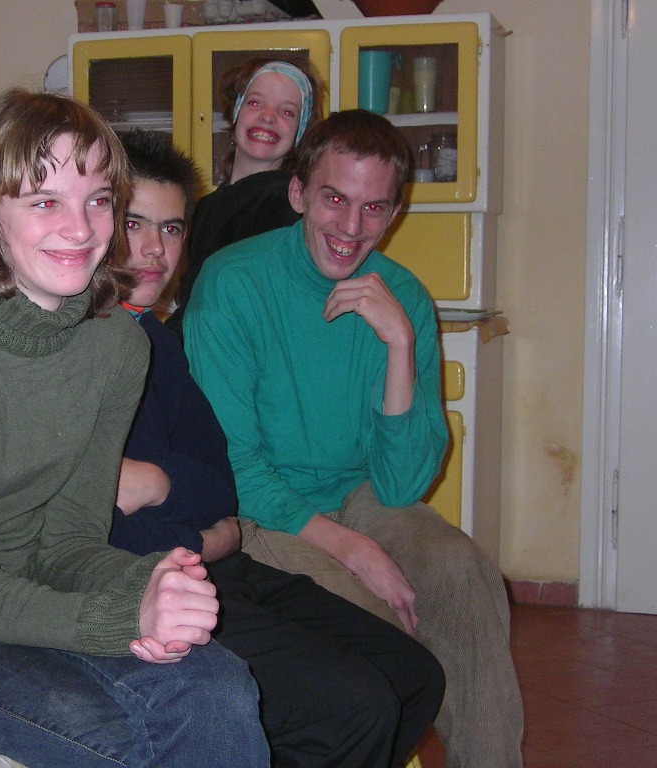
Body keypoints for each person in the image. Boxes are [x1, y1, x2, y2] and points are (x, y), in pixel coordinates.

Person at [0, 88, 271, 768]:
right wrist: (124, 615)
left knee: (220, 690)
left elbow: (67, 542)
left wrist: (149, 583)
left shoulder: (117, 347)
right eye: (44, 202)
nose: (80, 228)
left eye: (98, 200)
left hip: (23, 598)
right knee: (118, 744)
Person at [183, 110, 525, 768]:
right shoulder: (233, 284)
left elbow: (401, 485)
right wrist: (352, 549)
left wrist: (399, 344)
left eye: (373, 208)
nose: (350, 227)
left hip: (358, 493)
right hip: (261, 511)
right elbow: (233, 466)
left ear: (394, 213)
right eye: (334, 199)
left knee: (462, 573)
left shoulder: (403, 298)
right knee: (379, 625)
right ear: (298, 194)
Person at [112, 128, 444, 768]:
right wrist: (199, 522)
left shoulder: (154, 342)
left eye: (172, 228)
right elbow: (96, 518)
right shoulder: (92, 341)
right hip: (165, 576)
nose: (154, 249)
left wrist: (165, 490)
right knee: (358, 703)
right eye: (134, 223)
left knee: (414, 677)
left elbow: (213, 479)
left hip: (214, 554)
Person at [166, 57, 321, 337]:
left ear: (300, 133)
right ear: (236, 111)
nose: (268, 116)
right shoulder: (207, 206)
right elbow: (193, 302)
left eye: (287, 112)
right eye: (255, 102)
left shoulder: (288, 203)